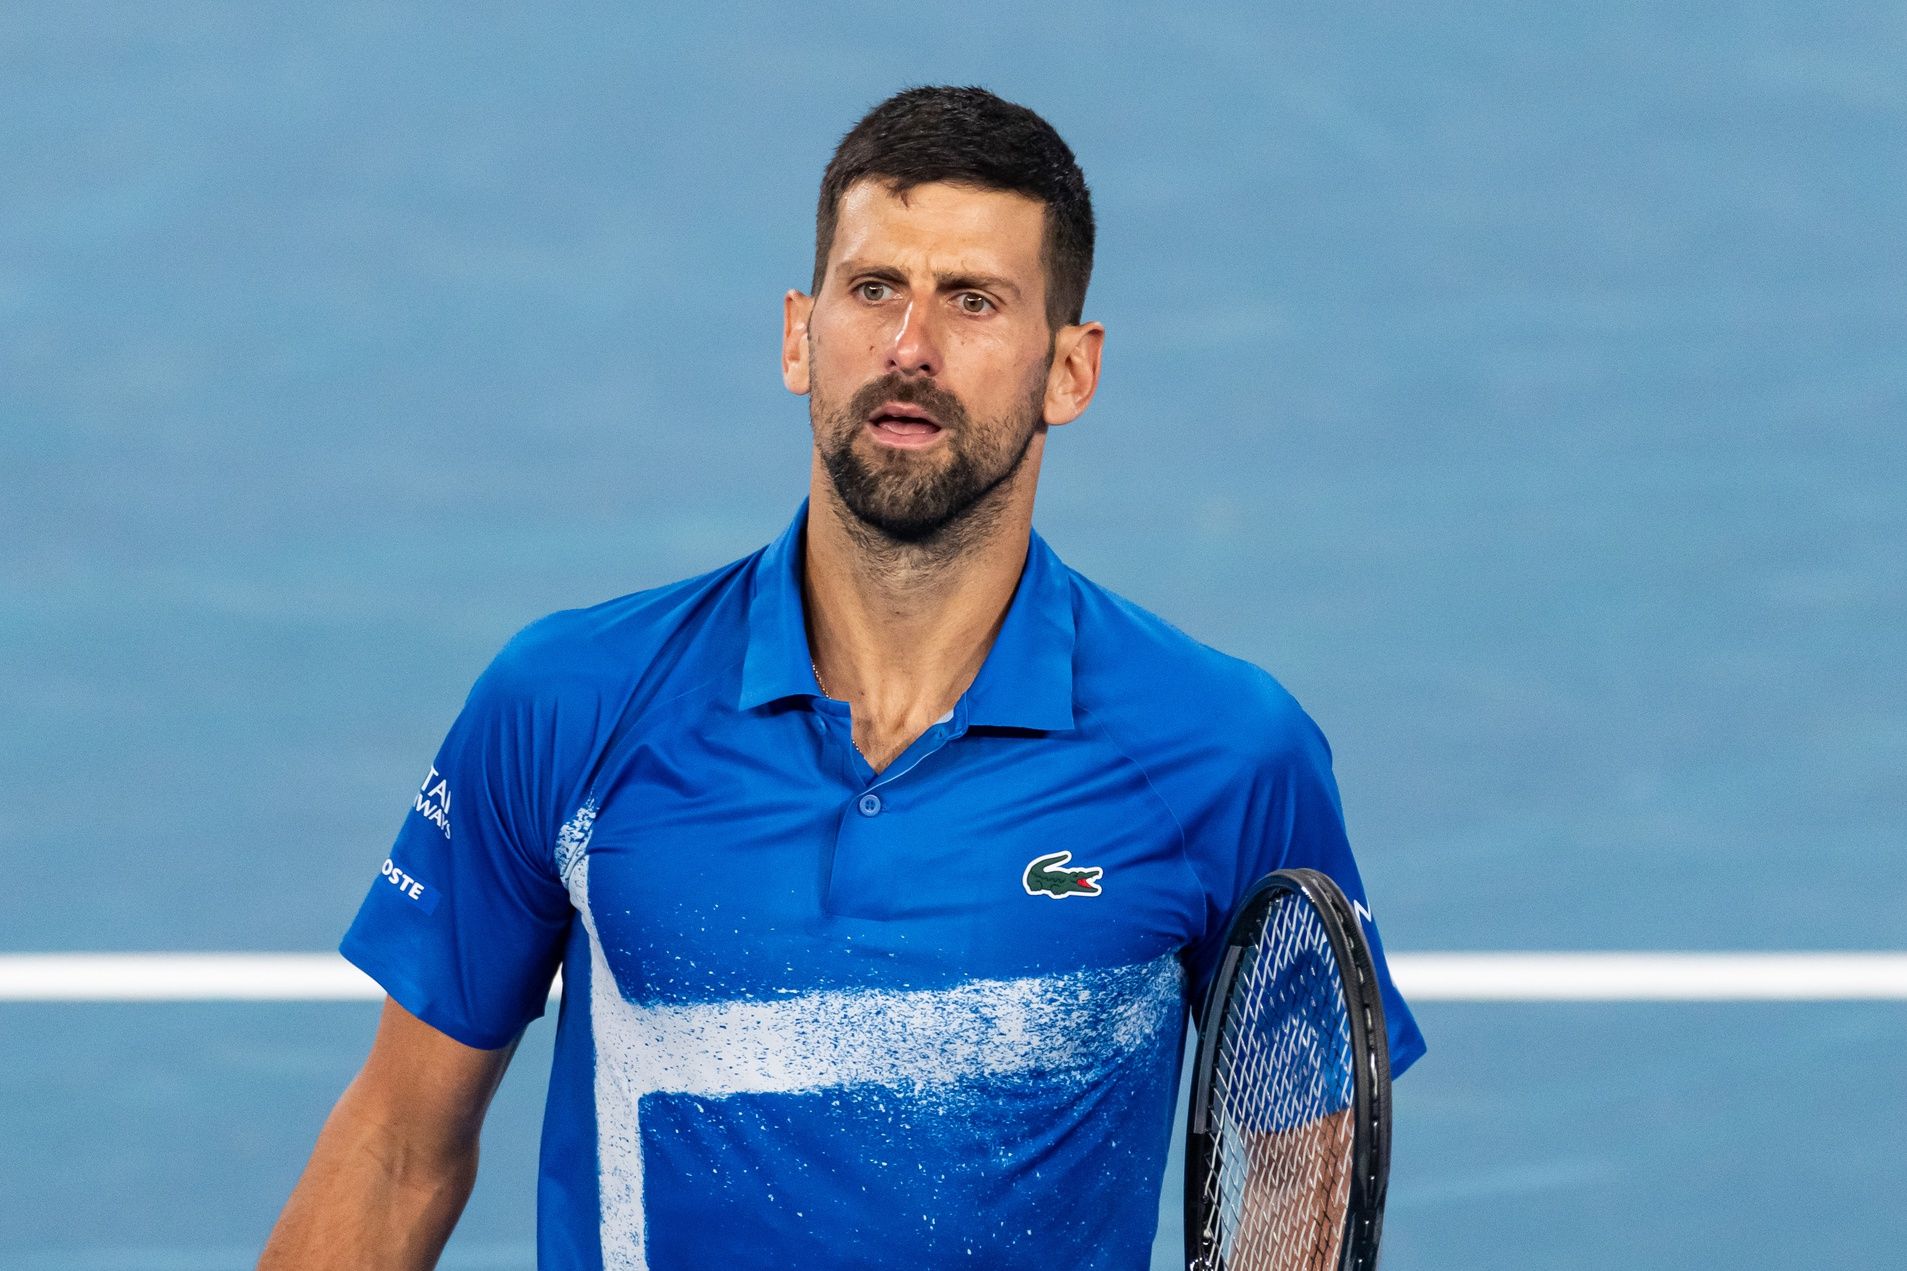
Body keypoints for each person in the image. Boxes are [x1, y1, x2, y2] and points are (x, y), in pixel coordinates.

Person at [260, 84, 1425, 1271]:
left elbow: (1291, 1191)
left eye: (971, 300)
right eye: (873, 288)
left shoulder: (1224, 755)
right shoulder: (569, 705)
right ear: (797, 335)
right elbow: (397, 1148)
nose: (908, 345)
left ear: (1068, 371)